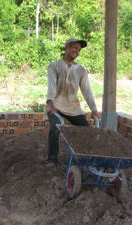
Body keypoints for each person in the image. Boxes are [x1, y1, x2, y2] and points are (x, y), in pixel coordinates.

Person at [45, 38, 98, 168]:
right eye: (75, 48)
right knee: (55, 128)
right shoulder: (54, 66)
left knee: (86, 130)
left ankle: (83, 157)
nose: (77, 52)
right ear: (67, 47)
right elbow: (51, 86)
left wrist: (94, 108)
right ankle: (52, 160)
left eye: (79, 50)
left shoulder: (81, 70)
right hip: (56, 105)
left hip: (73, 107)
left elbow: (87, 90)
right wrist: (51, 103)